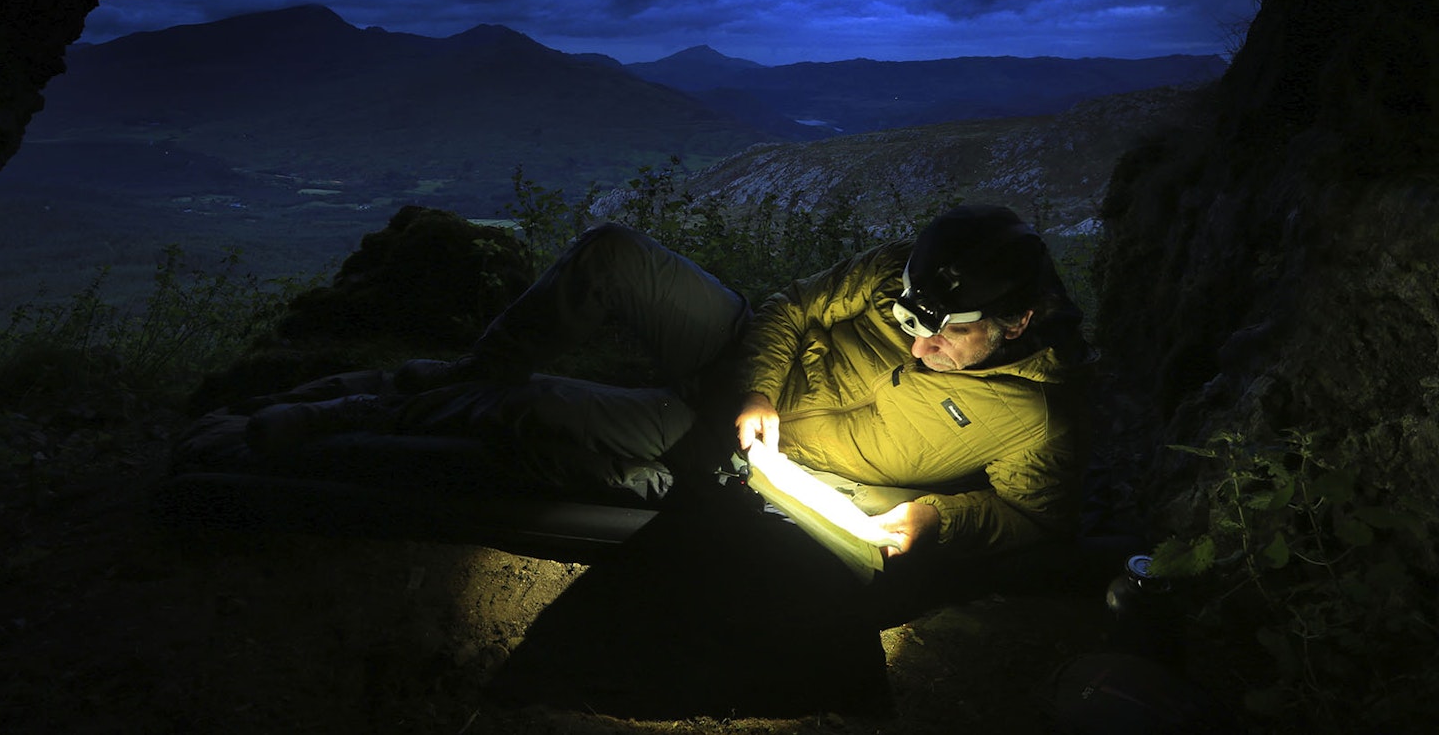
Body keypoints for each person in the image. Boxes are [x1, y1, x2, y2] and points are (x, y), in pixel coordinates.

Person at [245, 204, 1093, 561]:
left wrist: (938, 518)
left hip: (756, 450)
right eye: (906, 316)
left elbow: (1035, 516)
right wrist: (757, 389)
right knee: (614, 253)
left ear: (1016, 323)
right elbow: (788, 310)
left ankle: (376, 412)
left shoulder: (1037, 415)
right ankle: (467, 371)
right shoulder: (908, 274)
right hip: (743, 373)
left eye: (943, 337)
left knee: (543, 413)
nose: (915, 340)